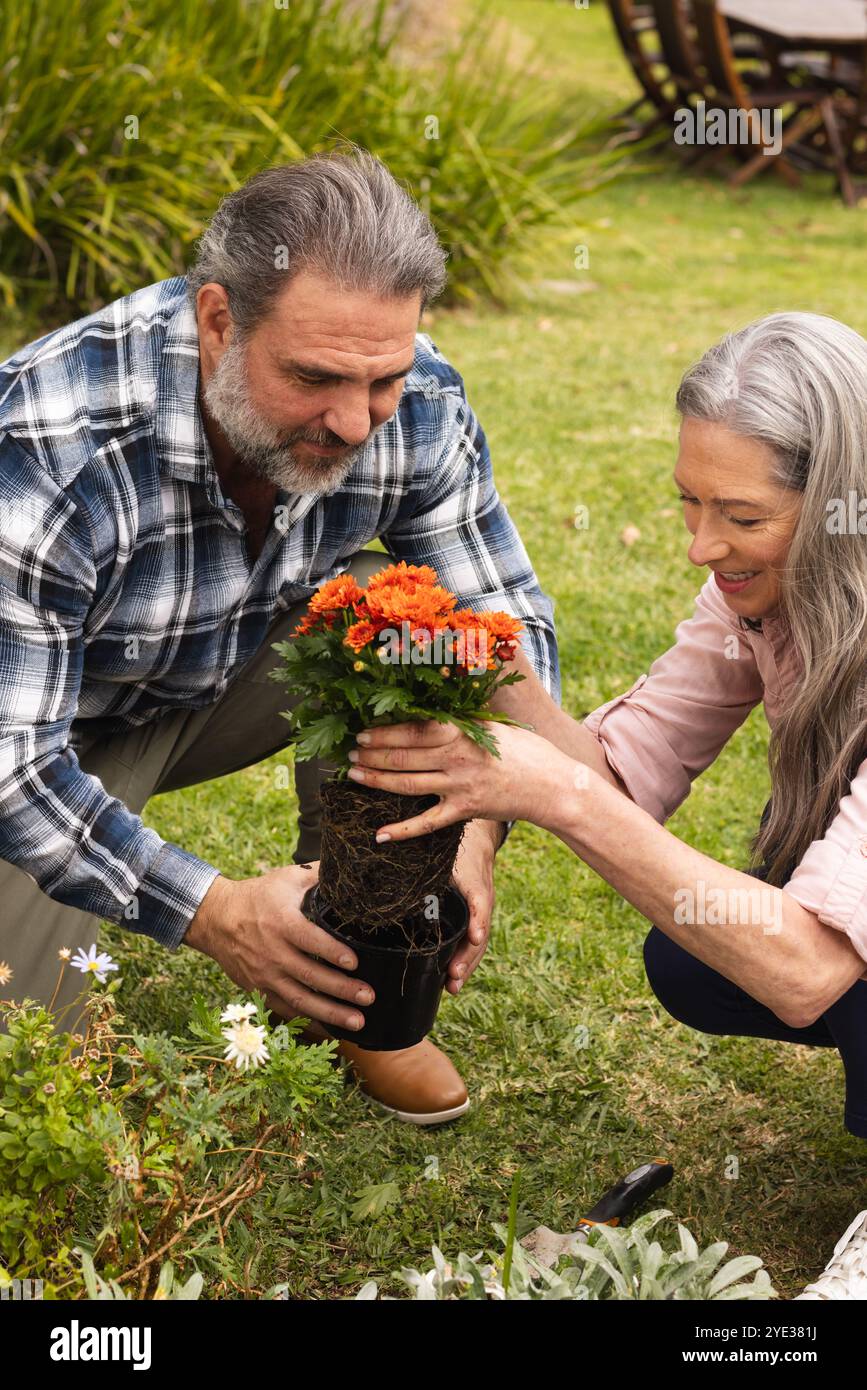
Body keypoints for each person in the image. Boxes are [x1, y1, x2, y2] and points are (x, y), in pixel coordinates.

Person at [0, 148, 559, 1126]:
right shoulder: (53, 439)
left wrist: (478, 820)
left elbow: (503, 620)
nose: (353, 421)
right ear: (219, 321)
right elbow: (12, 765)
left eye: (380, 378)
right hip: (35, 733)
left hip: (196, 675)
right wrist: (213, 911)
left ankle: (348, 979)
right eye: (315, 378)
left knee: (408, 625)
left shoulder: (413, 402)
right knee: (29, 1077)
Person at [345, 311, 867, 1293]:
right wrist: (499, 674)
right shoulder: (764, 592)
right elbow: (625, 773)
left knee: (807, 952)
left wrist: (558, 801)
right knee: (699, 951)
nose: (701, 545)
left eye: (743, 518)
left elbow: (810, 972)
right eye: (689, 504)